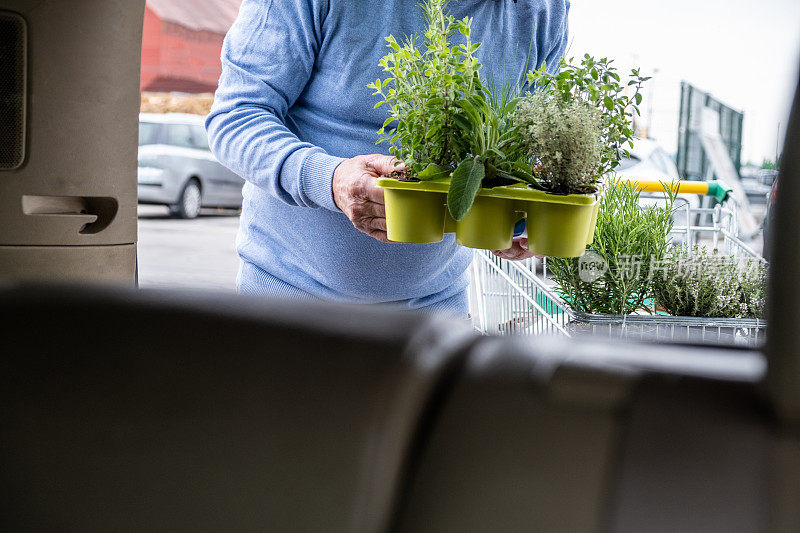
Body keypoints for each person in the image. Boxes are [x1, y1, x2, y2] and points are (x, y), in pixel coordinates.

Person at [207, 0, 570, 317]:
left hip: (436, 313)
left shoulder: (543, 9)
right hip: (288, 306)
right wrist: (331, 179)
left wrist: (517, 217)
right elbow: (237, 115)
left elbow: (523, 146)